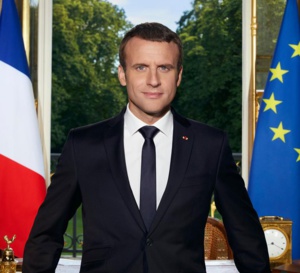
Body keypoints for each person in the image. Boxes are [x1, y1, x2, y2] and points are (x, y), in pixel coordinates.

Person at [23, 22, 270, 273]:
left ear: (179, 75)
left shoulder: (210, 145)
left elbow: (245, 235)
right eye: (141, 67)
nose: (153, 80)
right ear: (123, 74)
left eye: (164, 68)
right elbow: (46, 235)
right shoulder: (84, 145)